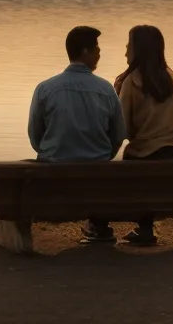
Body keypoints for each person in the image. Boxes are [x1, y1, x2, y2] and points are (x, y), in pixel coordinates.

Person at [26, 25, 127, 244]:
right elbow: (119, 134)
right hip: (97, 176)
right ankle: (98, 223)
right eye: (97, 48)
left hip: (54, 175)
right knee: (101, 177)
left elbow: (35, 136)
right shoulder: (106, 89)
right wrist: (102, 154)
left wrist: (53, 149)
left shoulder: (45, 88)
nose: (100, 52)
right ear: (85, 52)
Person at [111, 24, 173, 246]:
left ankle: (145, 228)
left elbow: (122, 129)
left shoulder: (131, 82)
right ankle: (145, 228)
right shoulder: (171, 77)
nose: (125, 49)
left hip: (150, 159)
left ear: (138, 49)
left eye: (129, 44)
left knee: (134, 160)